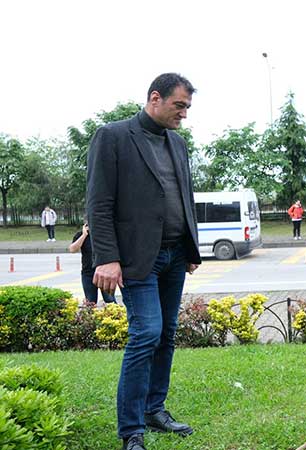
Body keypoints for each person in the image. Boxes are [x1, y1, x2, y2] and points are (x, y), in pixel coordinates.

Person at [86, 73, 202, 450]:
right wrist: (107, 258)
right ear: (156, 98)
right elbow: (99, 204)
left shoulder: (178, 143)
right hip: (137, 259)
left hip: (173, 256)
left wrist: (190, 247)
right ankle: (131, 429)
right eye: (178, 105)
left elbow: (184, 196)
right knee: (146, 333)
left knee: (167, 333)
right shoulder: (113, 136)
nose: (183, 114)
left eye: (187, 107)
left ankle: (155, 409)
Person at [68, 219, 115, 304]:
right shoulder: (81, 235)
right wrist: (84, 235)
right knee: (90, 302)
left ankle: (115, 316)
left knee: (110, 300)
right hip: (88, 273)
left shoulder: (103, 235)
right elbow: (72, 249)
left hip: (104, 272)